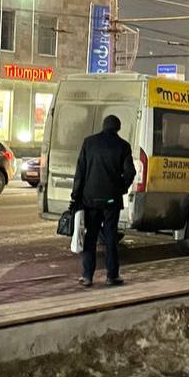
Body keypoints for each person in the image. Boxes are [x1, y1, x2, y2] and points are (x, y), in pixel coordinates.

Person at [69, 115, 136, 288]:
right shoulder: (123, 146)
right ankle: (112, 276)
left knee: (90, 237)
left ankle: (87, 276)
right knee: (110, 237)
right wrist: (120, 188)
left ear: (103, 126)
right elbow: (130, 173)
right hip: (111, 200)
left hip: (90, 199)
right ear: (118, 128)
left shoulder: (89, 143)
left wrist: (75, 196)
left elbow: (80, 172)